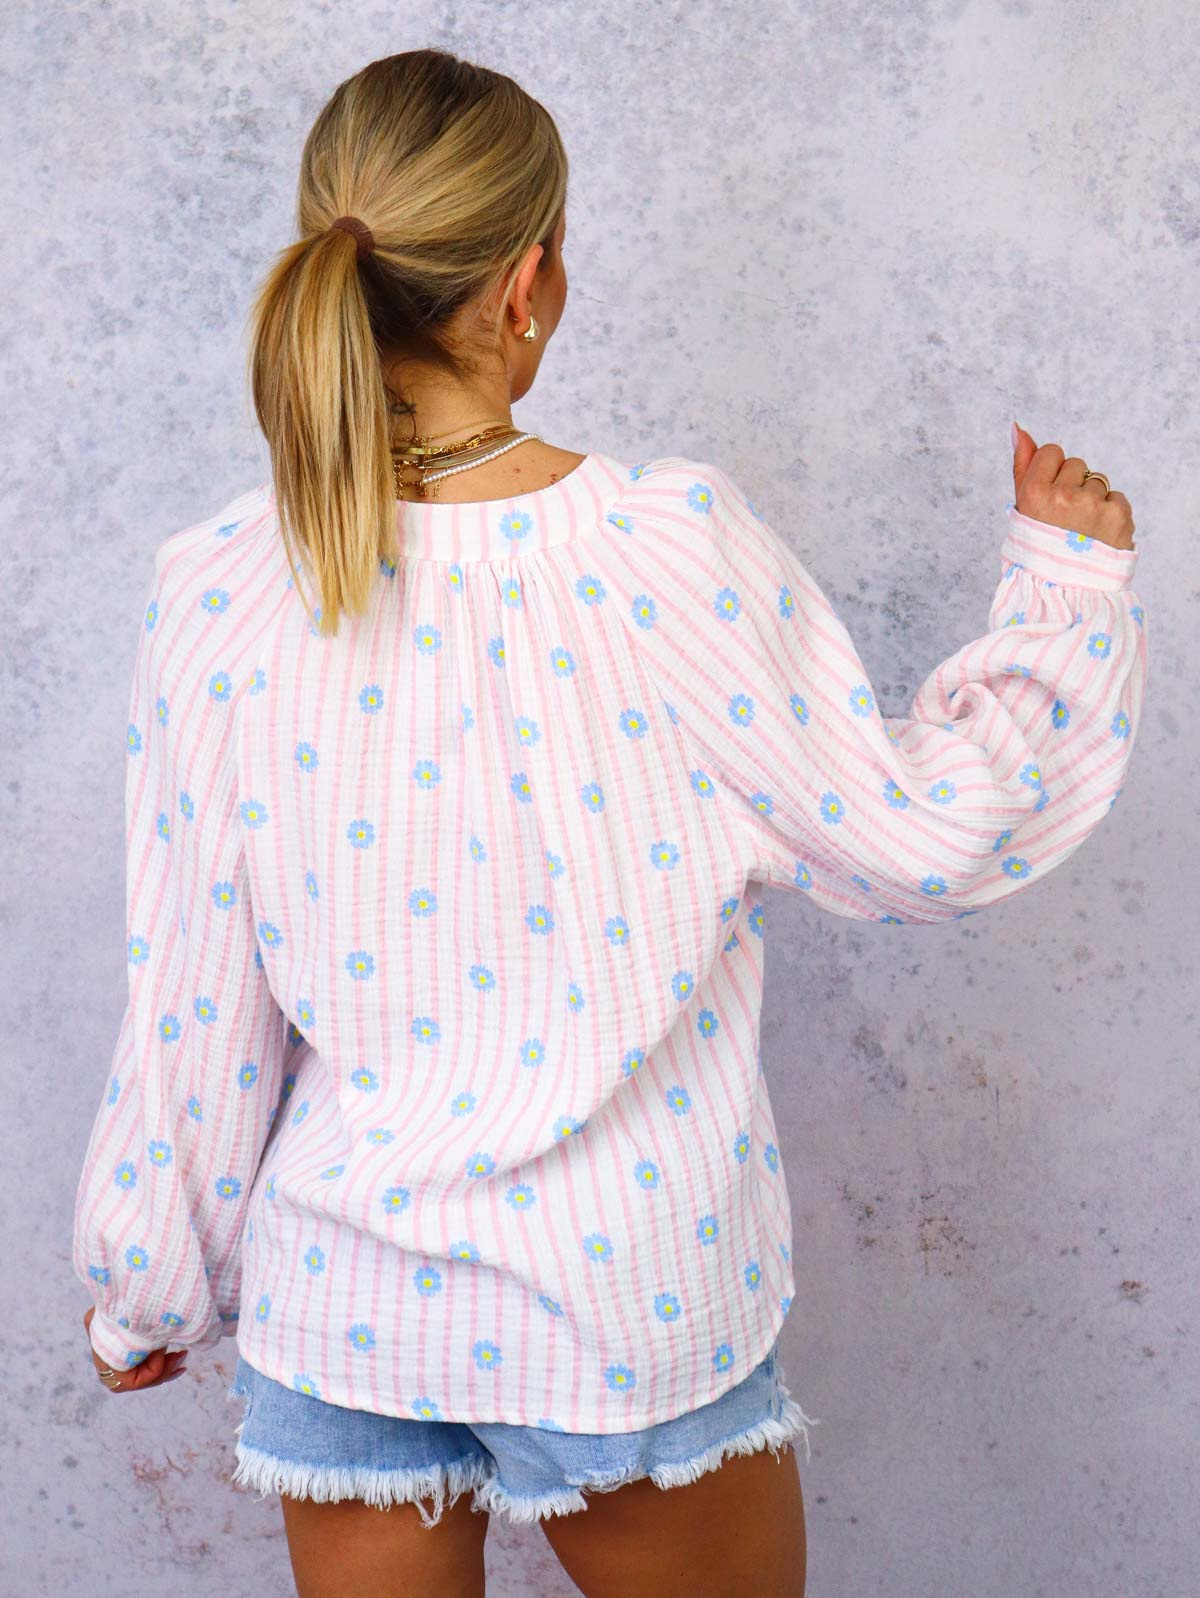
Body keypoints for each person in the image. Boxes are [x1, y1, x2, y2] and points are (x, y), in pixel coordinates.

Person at [71, 46, 1145, 1598]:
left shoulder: (222, 585)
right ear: (527, 285)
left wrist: (146, 1288)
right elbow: (920, 834)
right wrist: (1066, 595)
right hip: (618, 1301)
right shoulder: (664, 556)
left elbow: (194, 999)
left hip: (347, 1308)